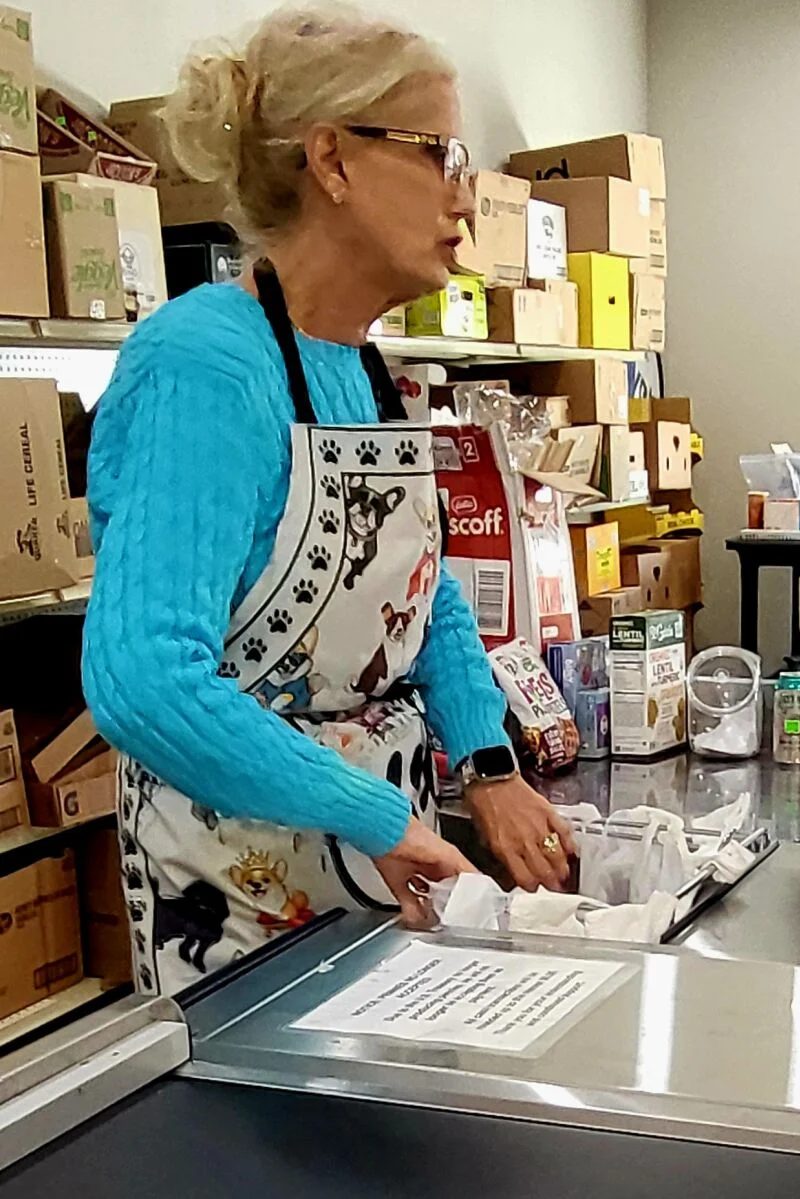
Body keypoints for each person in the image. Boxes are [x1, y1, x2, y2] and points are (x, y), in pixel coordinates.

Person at [83, 7, 575, 997]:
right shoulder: (204, 364)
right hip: (241, 897)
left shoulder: (360, 361)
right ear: (333, 162)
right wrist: (379, 816)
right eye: (438, 152)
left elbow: (419, 588)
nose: (465, 195)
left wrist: (489, 763)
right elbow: (144, 680)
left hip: (377, 858)